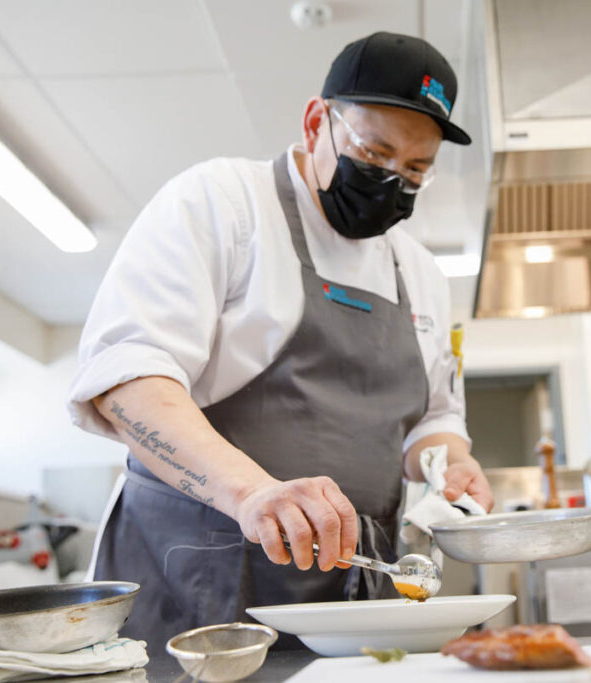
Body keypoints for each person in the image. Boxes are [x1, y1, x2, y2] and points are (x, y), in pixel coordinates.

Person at [67, 31, 492, 651]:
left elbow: (434, 416)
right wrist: (253, 493)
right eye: (374, 155)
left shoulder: (421, 273)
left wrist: (449, 463)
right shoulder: (222, 204)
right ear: (318, 120)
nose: (391, 182)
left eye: (416, 170)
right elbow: (128, 382)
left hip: (355, 592)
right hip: (198, 580)